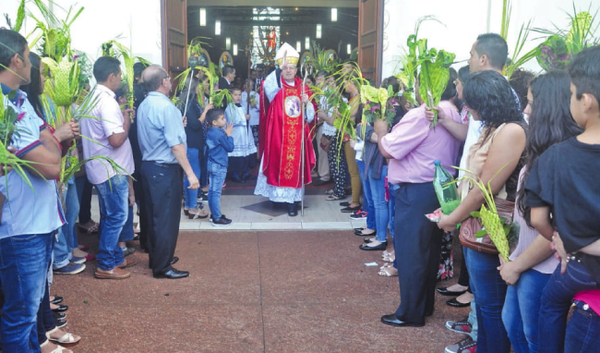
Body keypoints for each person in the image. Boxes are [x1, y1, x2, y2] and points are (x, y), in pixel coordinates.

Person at [437, 70, 526, 353]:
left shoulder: (511, 130)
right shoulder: (494, 126)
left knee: (492, 308)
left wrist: (453, 217)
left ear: (486, 102)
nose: (465, 108)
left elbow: (486, 186)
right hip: (480, 224)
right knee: (486, 307)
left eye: (469, 102)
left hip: (493, 226)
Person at [0, 28, 76, 352]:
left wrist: (53, 143)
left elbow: (52, 146)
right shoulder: (4, 107)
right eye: (30, 58)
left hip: (37, 223)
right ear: (16, 60)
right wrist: (53, 143)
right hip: (20, 226)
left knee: (30, 314)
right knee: (20, 315)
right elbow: (50, 166)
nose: (32, 65)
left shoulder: (21, 102)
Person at [499, 70, 581, 353]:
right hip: (525, 261)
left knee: (535, 338)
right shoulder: (543, 154)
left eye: (532, 103)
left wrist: (516, 265)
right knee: (513, 325)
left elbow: (552, 230)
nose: (525, 110)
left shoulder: (562, 159)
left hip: (542, 267)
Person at [525, 45, 600, 353]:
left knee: (551, 303)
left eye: (571, 93)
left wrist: (560, 240)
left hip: (579, 268)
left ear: (586, 101)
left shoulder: (555, 157)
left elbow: (538, 219)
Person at [375, 67, 463, 328]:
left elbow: (390, 149)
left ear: (428, 86)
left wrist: (381, 132)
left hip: (416, 190)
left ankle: (410, 313)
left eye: (416, 82)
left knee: (412, 252)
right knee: (428, 250)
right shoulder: (453, 112)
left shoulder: (421, 114)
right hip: (437, 189)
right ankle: (423, 306)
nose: (413, 87)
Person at [137, 65, 197, 279]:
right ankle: (162, 266)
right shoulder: (166, 107)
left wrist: (177, 126)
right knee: (166, 219)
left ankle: (158, 257)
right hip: (164, 168)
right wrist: (190, 173)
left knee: (154, 215)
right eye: (169, 79)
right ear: (163, 82)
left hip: (149, 166)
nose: (171, 82)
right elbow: (176, 146)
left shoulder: (145, 104)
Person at [81, 56, 137, 280]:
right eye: (120, 75)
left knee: (109, 214)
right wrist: (126, 119)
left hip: (100, 167)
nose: (121, 79)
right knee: (116, 216)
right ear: (111, 76)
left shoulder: (92, 97)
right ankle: (105, 263)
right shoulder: (107, 102)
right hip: (111, 169)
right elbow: (115, 140)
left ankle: (113, 257)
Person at [255, 43, 316, 217]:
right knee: (276, 165)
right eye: (285, 68)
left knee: (294, 168)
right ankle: (277, 198)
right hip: (278, 135)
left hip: (297, 138)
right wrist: (277, 68)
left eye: (291, 68)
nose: (288, 71)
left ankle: (292, 203)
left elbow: (310, 117)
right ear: (281, 69)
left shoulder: (303, 88)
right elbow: (267, 85)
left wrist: (307, 103)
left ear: (297, 70)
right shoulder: (276, 86)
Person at [178, 73, 211, 219]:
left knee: (189, 175)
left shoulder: (188, 100)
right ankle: (191, 207)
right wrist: (205, 111)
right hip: (191, 143)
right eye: (198, 86)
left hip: (192, 142)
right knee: (193, 175)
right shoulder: (187, 103)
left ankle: (188, 204)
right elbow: (196, 124)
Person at [206, 109, 234, 226]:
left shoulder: (210, 131)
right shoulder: (220, 133)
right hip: (219, 164)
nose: (225, 120)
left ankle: (214, 214)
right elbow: (230, 147)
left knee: (212, 191)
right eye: (222, 119)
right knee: (216, 192)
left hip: (211, 163)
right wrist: (229, 135)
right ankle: (217, 217)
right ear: (214, 122)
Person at [225, 87, 256, 183]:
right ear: (231, 96)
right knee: (236, 157)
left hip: (245, 134)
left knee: (246, 155)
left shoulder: (242, 106)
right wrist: (244, 117)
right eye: (235, 95)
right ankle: (235, 174)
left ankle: (246, 173)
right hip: (237, 134)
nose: (238, 97)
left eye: (239, 95)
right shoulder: (230, 107)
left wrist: (248, 117)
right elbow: (232, 120)